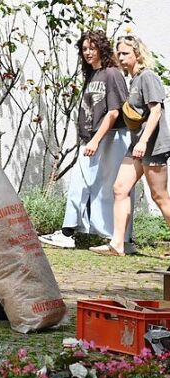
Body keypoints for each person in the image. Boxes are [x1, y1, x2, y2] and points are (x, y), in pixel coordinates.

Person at [40, 31, 131, 250]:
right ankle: (68, 232)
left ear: (102, 48)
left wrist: (95, 141)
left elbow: (114, 113)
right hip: (92, 139)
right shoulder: (91, 75)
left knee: (114, 188)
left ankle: (124, 240)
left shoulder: (112, 74)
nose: (88, 52)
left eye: (92, 48)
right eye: (84, 49)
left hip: (111, 138)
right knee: (80, 184)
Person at [98, 34, 170, 256]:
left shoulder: (148, 77)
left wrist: (145, 141)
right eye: (118, 53)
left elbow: (156, 111)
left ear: (137, 53)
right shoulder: (134, 79)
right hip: (137, 144)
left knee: (159, 196)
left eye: (125, 53)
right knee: (120, 188)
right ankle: (117, 244)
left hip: (153, 144)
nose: (120, 57)